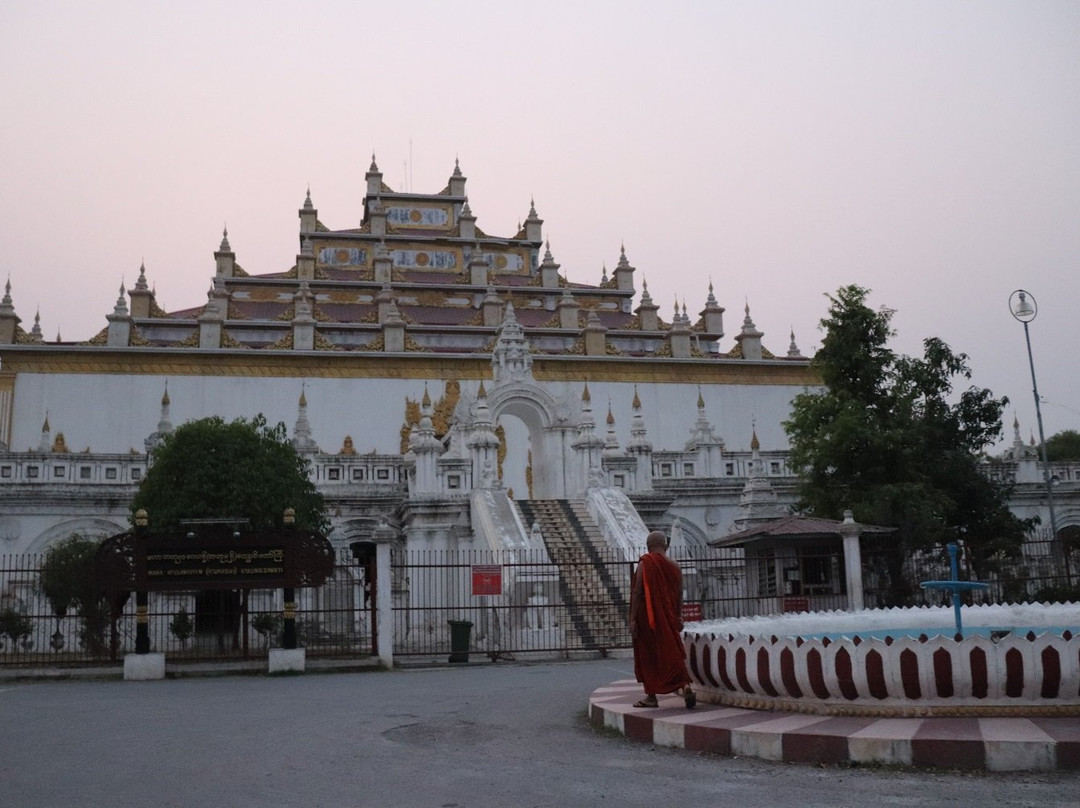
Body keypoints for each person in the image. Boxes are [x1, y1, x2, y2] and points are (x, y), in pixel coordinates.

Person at [629, 530, 695, 708]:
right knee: (672, 651)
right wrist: (679, 615)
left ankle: (651, 696)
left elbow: (638, 592)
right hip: (669, 615)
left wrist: (633, 618)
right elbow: (680, 593)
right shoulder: (675, 565)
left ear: (649, 546)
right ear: (666, 546)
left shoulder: (646, 563)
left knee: (649, 654)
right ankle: (685, 685)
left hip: (648, 617)